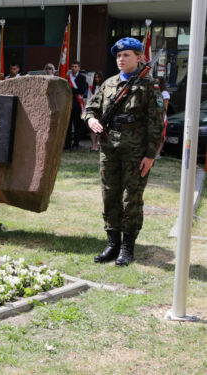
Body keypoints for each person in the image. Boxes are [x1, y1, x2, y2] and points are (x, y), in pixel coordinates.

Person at [83, 37, 164, 266]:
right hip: (109, 149)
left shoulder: (149, 85)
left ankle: (127, 247)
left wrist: (150, 155)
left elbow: (156, 123)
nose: (121, 59)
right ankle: (112, 243)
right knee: (109, 195)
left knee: (131, 199)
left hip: (135, 153)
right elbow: (90, 108)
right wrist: (91, 122)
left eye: (126, 55)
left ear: (139, 58)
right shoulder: (108, 84)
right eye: (118, 55)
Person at [66, 60, 89, 151]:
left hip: (77, 105)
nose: (74, 68)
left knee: (77, 125)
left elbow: (82, 90)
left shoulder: (82, 78)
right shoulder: (67, 77)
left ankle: (75, 144)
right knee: (67, 126)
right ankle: (67, 144)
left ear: (79, 68)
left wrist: (71, 89)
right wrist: (74, 90)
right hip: (68, 104)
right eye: (72, 66)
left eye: (76, 66)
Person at [88, 71, 104, 152]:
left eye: (98, 77)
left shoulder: (104, 87)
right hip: (93, 110)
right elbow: (89, 99)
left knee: (99, 128)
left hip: (101, 110)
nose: (97, 79)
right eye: (95, 77)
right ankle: (93, 146)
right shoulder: (91, 88)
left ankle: (97, 145)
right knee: (92, 129)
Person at [155, 76, 170, 158]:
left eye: (157, 82)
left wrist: (161, 118)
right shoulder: (154, 92)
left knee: (161, 136)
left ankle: (158, 153)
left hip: (161, 117)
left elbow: (165, 107)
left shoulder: (164, 93)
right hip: (154, 116)